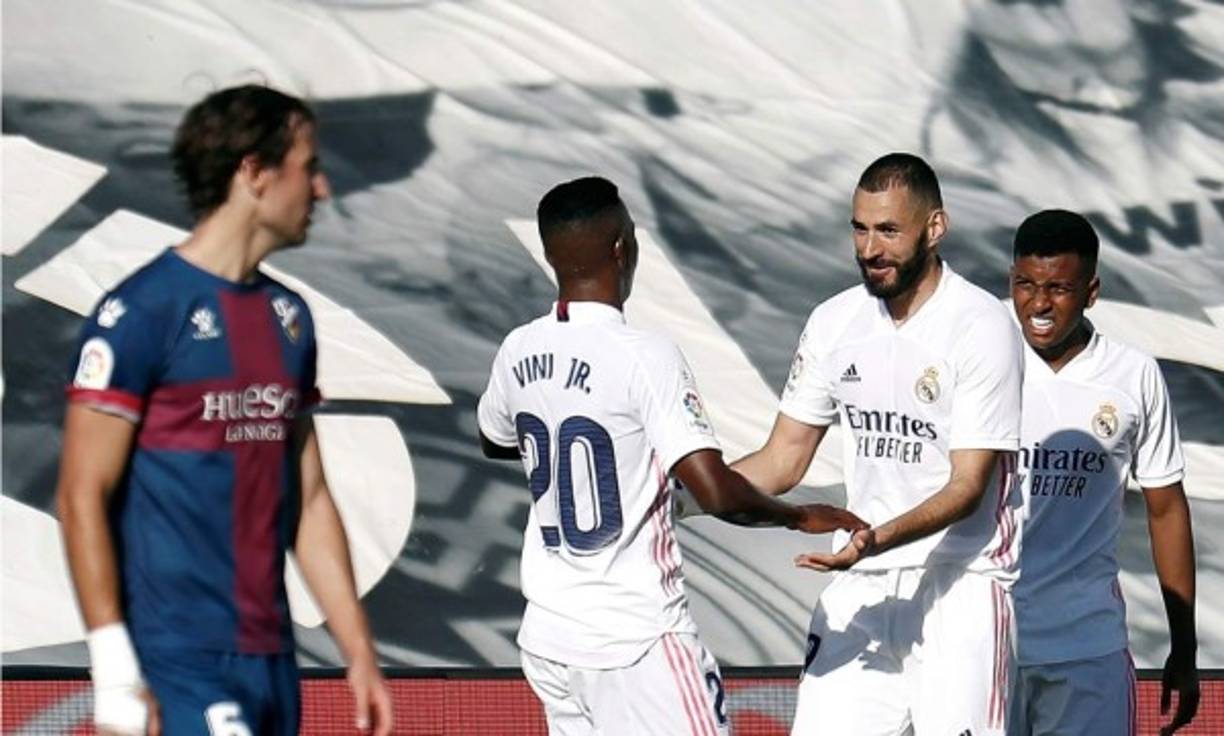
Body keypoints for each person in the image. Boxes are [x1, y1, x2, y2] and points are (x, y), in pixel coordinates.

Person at [55, 84, 393, 736]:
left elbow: (312, 497)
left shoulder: (288, 318)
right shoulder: (141, 313)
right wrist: (116, 668)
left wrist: (359, 652)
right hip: (174, 655)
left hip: (270, 661)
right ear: (254, 173)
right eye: (308, 166)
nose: (321, 190)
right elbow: (80, 495)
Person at [476, 176, 866, 736]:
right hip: (636, 641)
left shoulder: (519, 348)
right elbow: (714, 491)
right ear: (621, 248)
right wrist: (802, 517)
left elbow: (494, 438)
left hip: (550, 638)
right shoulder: (643, 354)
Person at [730, 152, 1025, 734]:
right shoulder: (834, 321)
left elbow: (968, 486)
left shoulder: (981, 324)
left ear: (934, 228)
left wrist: (875, 538)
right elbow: (782, 458)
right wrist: (680, 495)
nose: (870, 249)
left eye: (889, 230)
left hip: (959, 585)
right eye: (860, 229)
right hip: (860, 584)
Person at [1007, 209, 1199, 736]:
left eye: (1059, 288)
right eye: (1026, 284)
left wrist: (1184, 648)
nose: (1039, 304)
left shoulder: (1132, 374)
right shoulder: (981, 362)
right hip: (986, 644)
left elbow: (1165, 509)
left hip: (1086, 648)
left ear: (1091, 291)